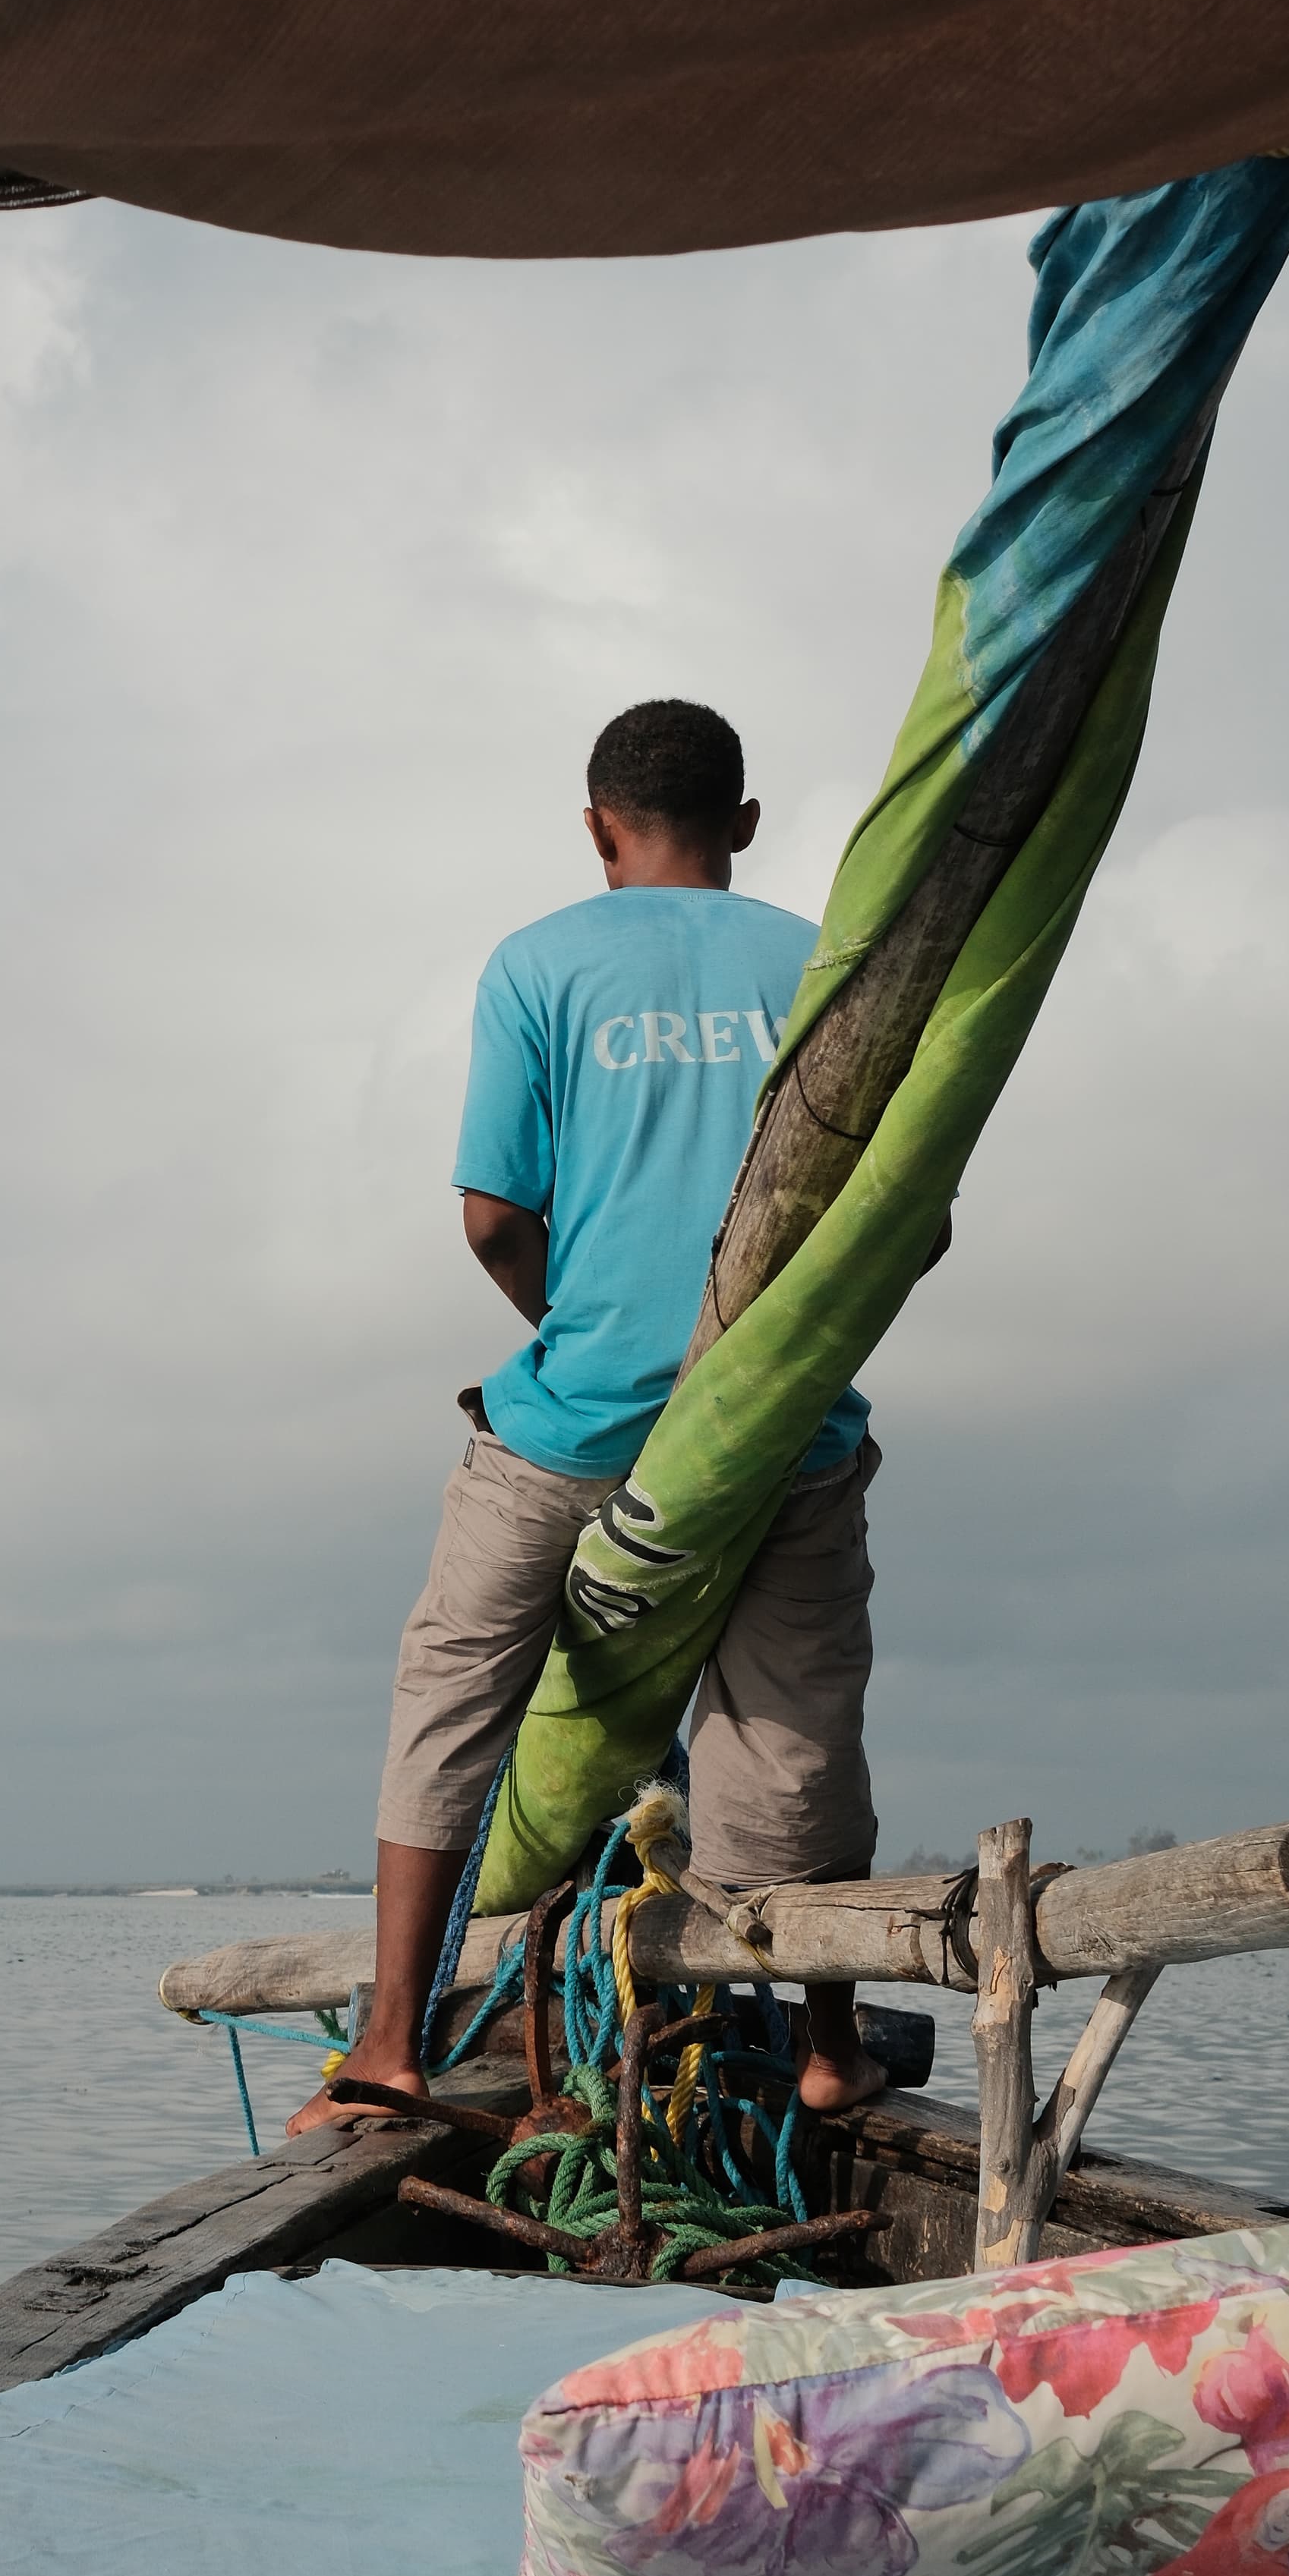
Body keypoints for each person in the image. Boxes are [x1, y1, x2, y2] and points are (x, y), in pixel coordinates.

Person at [292, 696, 905, 2137]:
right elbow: (895, 1218)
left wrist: (584, 1332)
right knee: (793, 1729)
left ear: (594, 828)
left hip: (569, 1424)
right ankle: (826, 2051)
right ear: (744, 827)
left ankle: (389, 2047)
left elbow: (496, 1214)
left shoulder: (536, 962)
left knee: (452, 1691)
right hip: (779, 1430)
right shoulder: (827, 960)